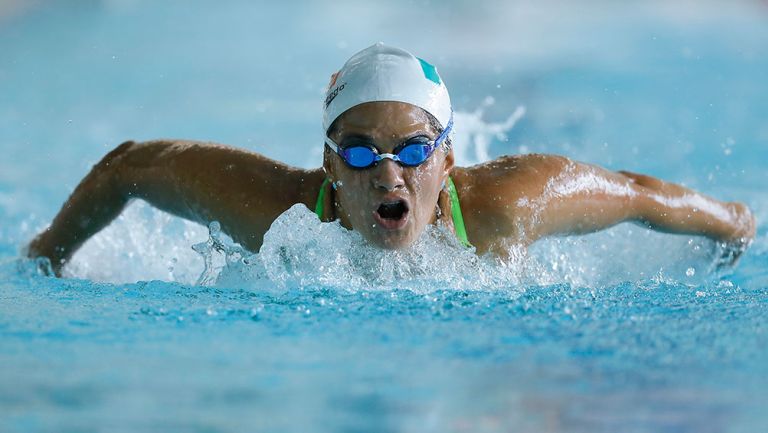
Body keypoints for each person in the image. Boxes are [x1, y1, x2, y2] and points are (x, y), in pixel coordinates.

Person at [27, 43, 755, 276]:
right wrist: (46, 254)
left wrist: (730, 222)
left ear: (447, 158)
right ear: (328, 164)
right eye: (360, 151)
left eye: (412, 150)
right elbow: (128, 164)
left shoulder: (506, 206)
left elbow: (632, 192)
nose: (387, 172)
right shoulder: (281, 213)